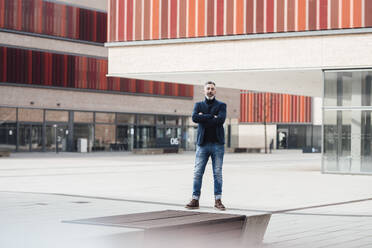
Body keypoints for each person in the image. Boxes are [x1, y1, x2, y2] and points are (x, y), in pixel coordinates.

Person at [185, 81, 227, 211]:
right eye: (208, 88)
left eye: (212, 89)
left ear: (215, 91)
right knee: (197, 173)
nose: (210, 90)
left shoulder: (221, 105)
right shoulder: (198, 105)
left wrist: (204, 117)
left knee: (217, 173)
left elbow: (221, 119)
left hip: (217, 144)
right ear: (204, 91)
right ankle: (195, 199)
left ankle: (218, 200)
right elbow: (194, 118)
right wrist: (211, 117)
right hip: (202, 144)